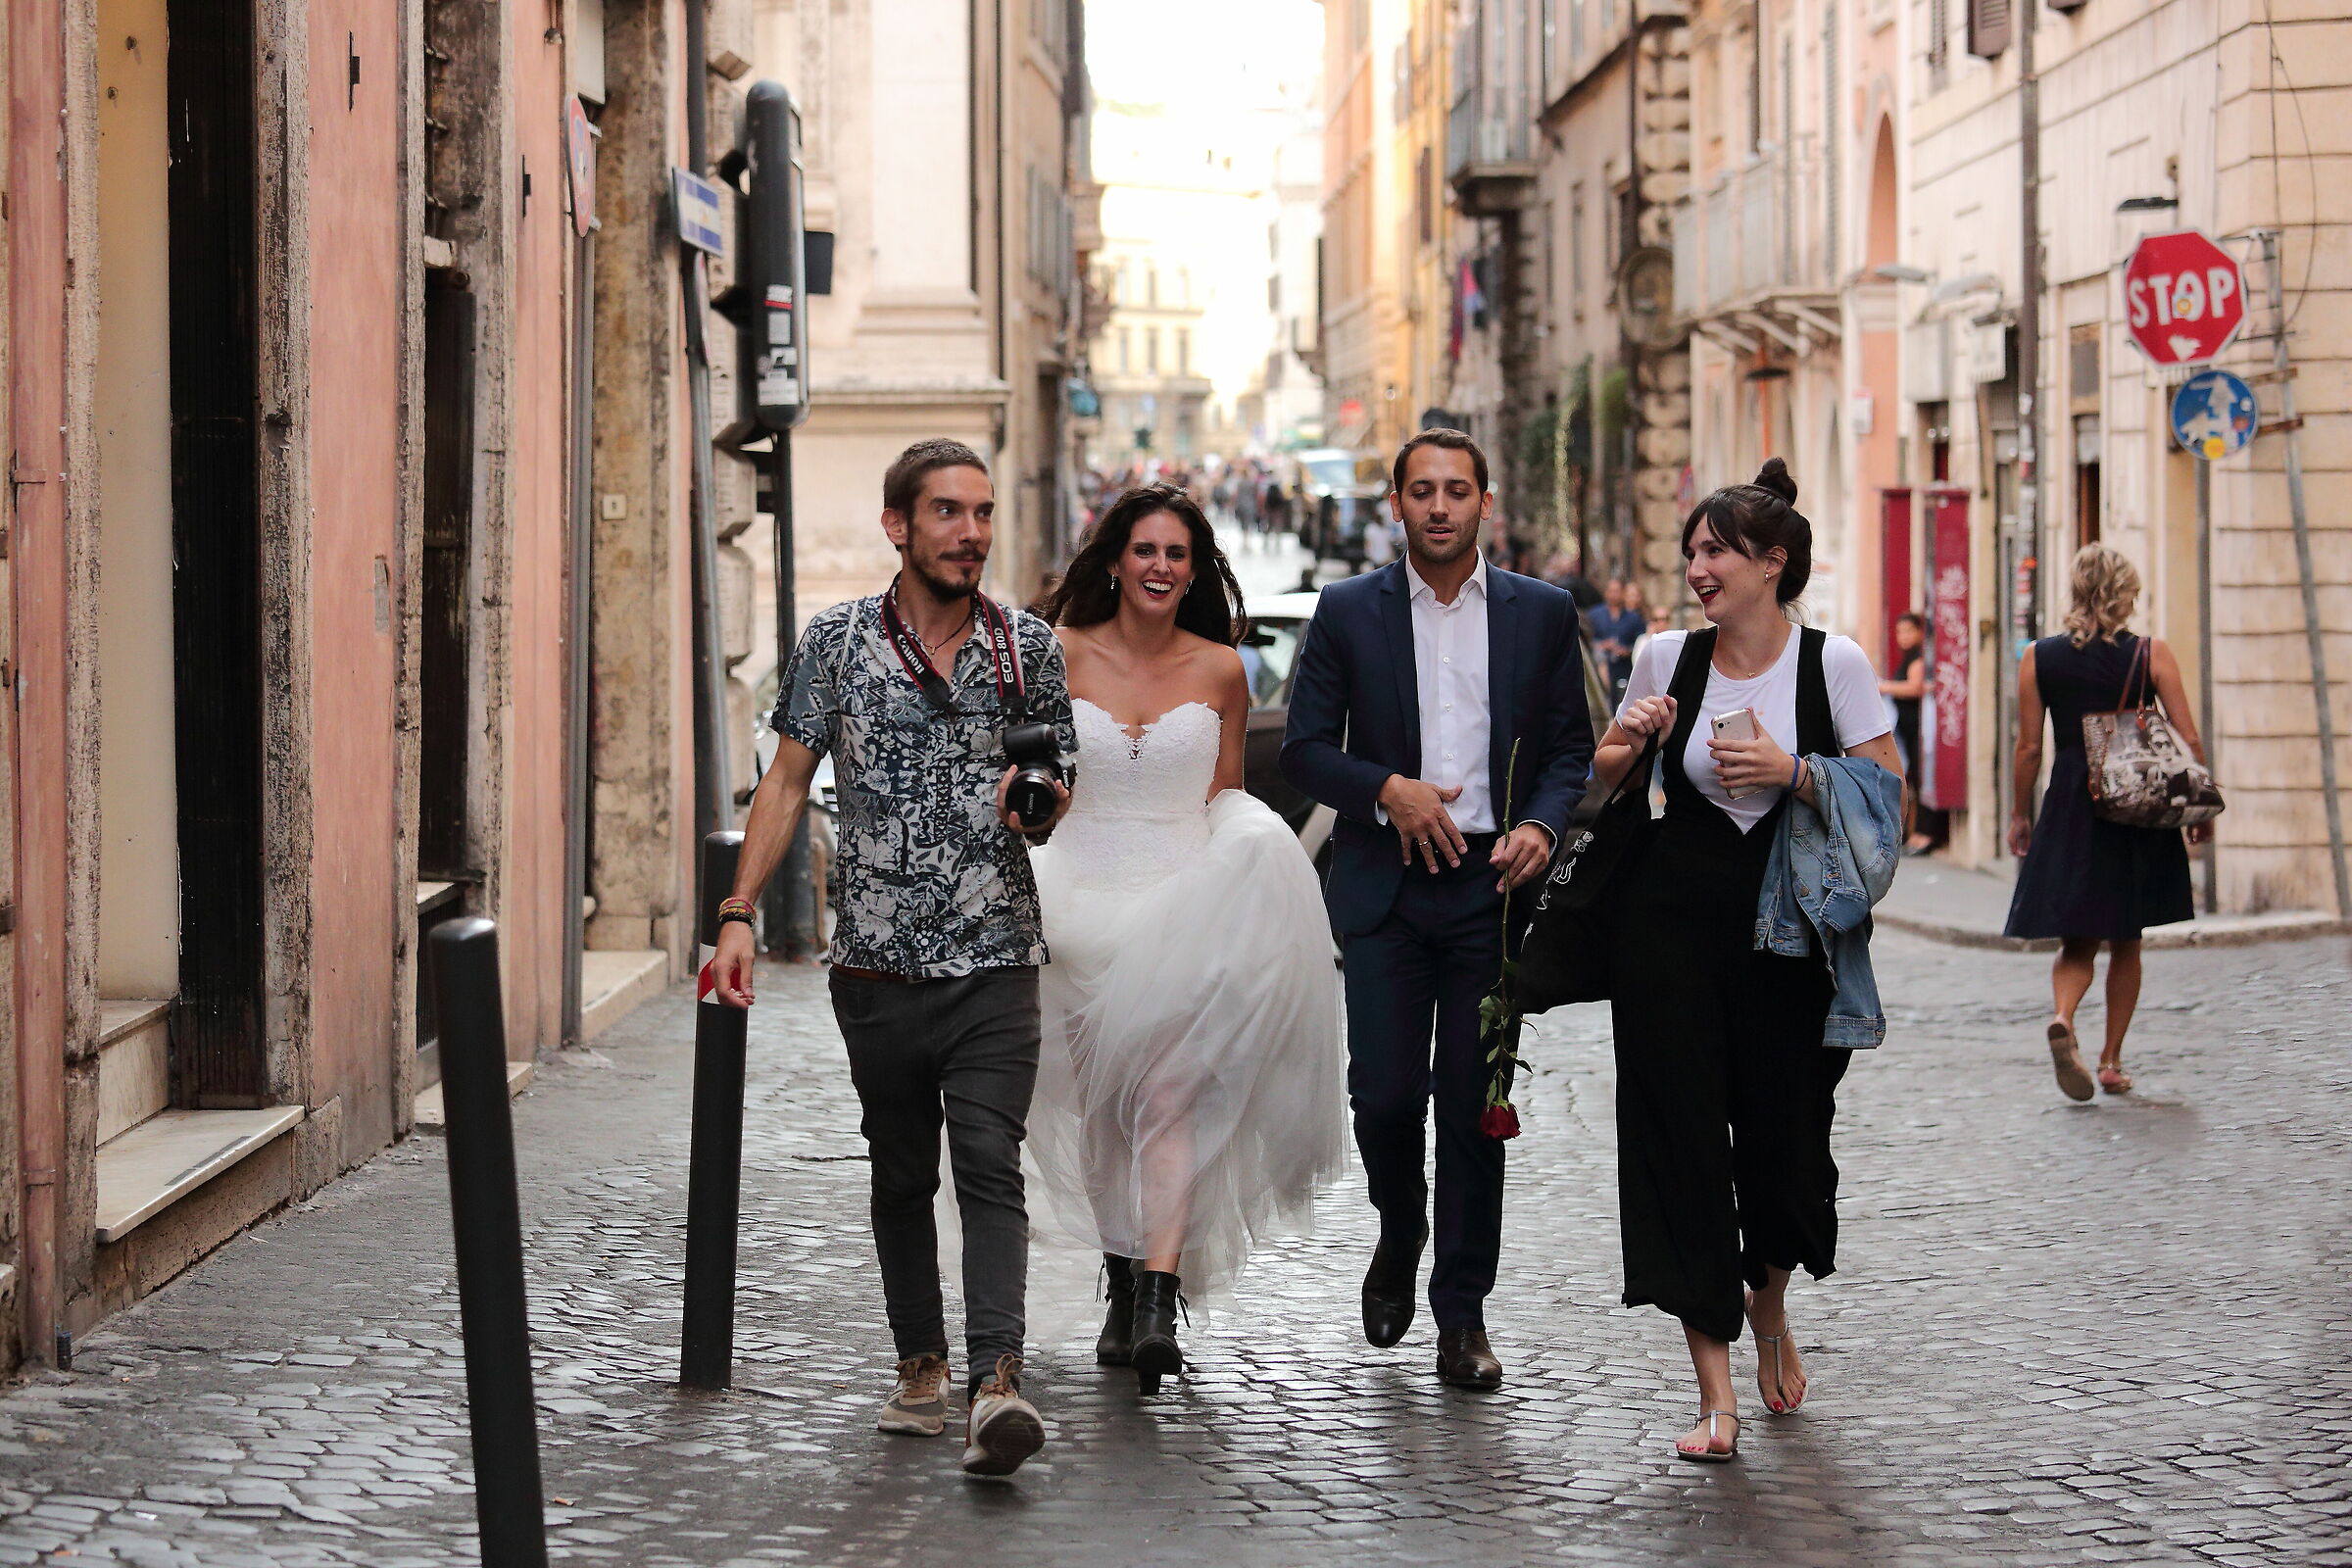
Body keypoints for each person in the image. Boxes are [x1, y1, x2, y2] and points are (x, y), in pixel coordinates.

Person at [707, 438, 1075, 1481]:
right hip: (873, 964)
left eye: (984, 513)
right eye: (950, 512)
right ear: (899, 525)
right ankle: (921, 1362)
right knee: (902, 1169)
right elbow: (785, 782)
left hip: (996, 952)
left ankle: (998, 1381)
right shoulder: (834, 642)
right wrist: (737, 910)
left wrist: (1036, 804)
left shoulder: (1026, 649)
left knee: (989, 1166)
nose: (972, 533)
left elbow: (1053, 777)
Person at [1587, 458, 1904, 1462]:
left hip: (1789, 947)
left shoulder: (1832, 665)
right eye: (1692, 550)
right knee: (1679, 1152)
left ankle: (1769, 1304)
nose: (1697, 566)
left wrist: (1795, 770)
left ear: (1773, 563)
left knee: (1785, 1163)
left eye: (1716, 549)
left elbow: (1890, 798)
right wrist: (1625, 740)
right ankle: (1714, 1397)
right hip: (1670, 937)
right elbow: (1600, 778)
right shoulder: (1664, 656)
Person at [1281, 428, 1595, 1392]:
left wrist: (1542, 825)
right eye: (1423, 490)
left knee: (1472, 1108)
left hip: (1489, 893)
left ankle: (1463, 1315)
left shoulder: (1541, 613)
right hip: (1383, 886)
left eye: (1458, 489)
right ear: (1397, 504)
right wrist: (1387, 789)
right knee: (1382, 1094)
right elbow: (1302, 749)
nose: (1441, 506)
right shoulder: (1345, 611)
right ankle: (1400, 1225)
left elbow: (1570, 751)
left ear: (1484, 502)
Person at [1026, 483, 1346, 1396]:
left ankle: (1160, 1294)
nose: (1162, 567)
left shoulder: (1220, 671)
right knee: (1106, 1109)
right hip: (1078, 905)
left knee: (1167, 1097)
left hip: (1181, 904)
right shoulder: (1059, 652)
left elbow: (1225, 796)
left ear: (1194, 571)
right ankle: (1123, 1282)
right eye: (1146, 551)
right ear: (1116, 562)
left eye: (1179, 555)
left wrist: (1250, 870)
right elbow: (1043, 778)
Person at [2003, 545, 2207, 1100]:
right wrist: (2197, 809)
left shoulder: (2038, 657)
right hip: (2138, 804)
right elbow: (2189, 738)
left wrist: (2021, 815)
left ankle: (2064, 1019)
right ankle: (2112, 1060)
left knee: (2077, 939)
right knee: (2127, 937)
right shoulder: (2150, 654)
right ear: (2126, 593)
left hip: (2073, 799)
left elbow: (2027, 748)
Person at [1879, 612, 1945, 855]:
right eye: (1900, 632)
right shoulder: (1909, 658)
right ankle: (1916, 832)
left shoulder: (1919, 658)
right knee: (1914, 779)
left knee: (1923, 777)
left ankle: (1925, 833)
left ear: (1920, 632)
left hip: (1920, 730)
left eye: (1909, 631)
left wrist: (1883, 686)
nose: (1904, 637)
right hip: (1907, 729)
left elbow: (1915, 687)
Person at [1587, 578, 1646, 701]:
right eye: (1611, 591)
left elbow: (1640, 641)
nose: (1614, 595)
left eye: (1617, 591)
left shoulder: (1633, 618)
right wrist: (1601, 646)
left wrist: (1627, 650)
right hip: (1601, 667)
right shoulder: (1594, 615)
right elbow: (1588, 640)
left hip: (1624, 668)